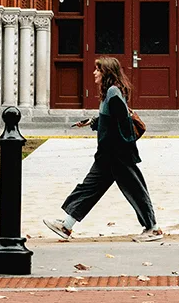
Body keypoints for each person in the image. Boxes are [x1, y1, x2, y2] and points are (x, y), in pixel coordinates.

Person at [44, 57, 163, 242]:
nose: (94, 73)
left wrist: (122, 148)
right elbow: (111, 119)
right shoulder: (110, 92)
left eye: (98, 69)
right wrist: (92, 122)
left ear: (106, 72)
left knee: (135, 190)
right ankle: (66, 226)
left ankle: (153, 228)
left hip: (118, 155)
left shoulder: (114, 92)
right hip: (109, 155)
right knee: (89, 188)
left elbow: (122, 122)